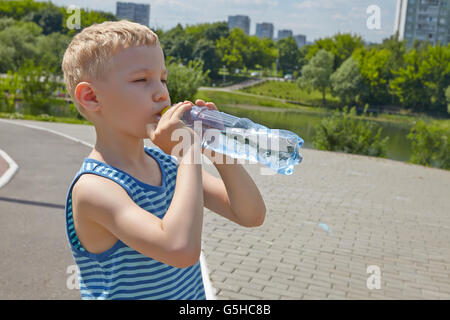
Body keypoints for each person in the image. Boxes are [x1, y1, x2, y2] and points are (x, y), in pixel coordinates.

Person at [61, 20, 266, 300]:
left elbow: (250, 214)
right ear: (92, 97)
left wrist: (217, 150)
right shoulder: (94, 188)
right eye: (141, 80)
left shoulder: (166, 165)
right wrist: (188, 153)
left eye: (163, 78)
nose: (161, 93)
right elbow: (180, 250)